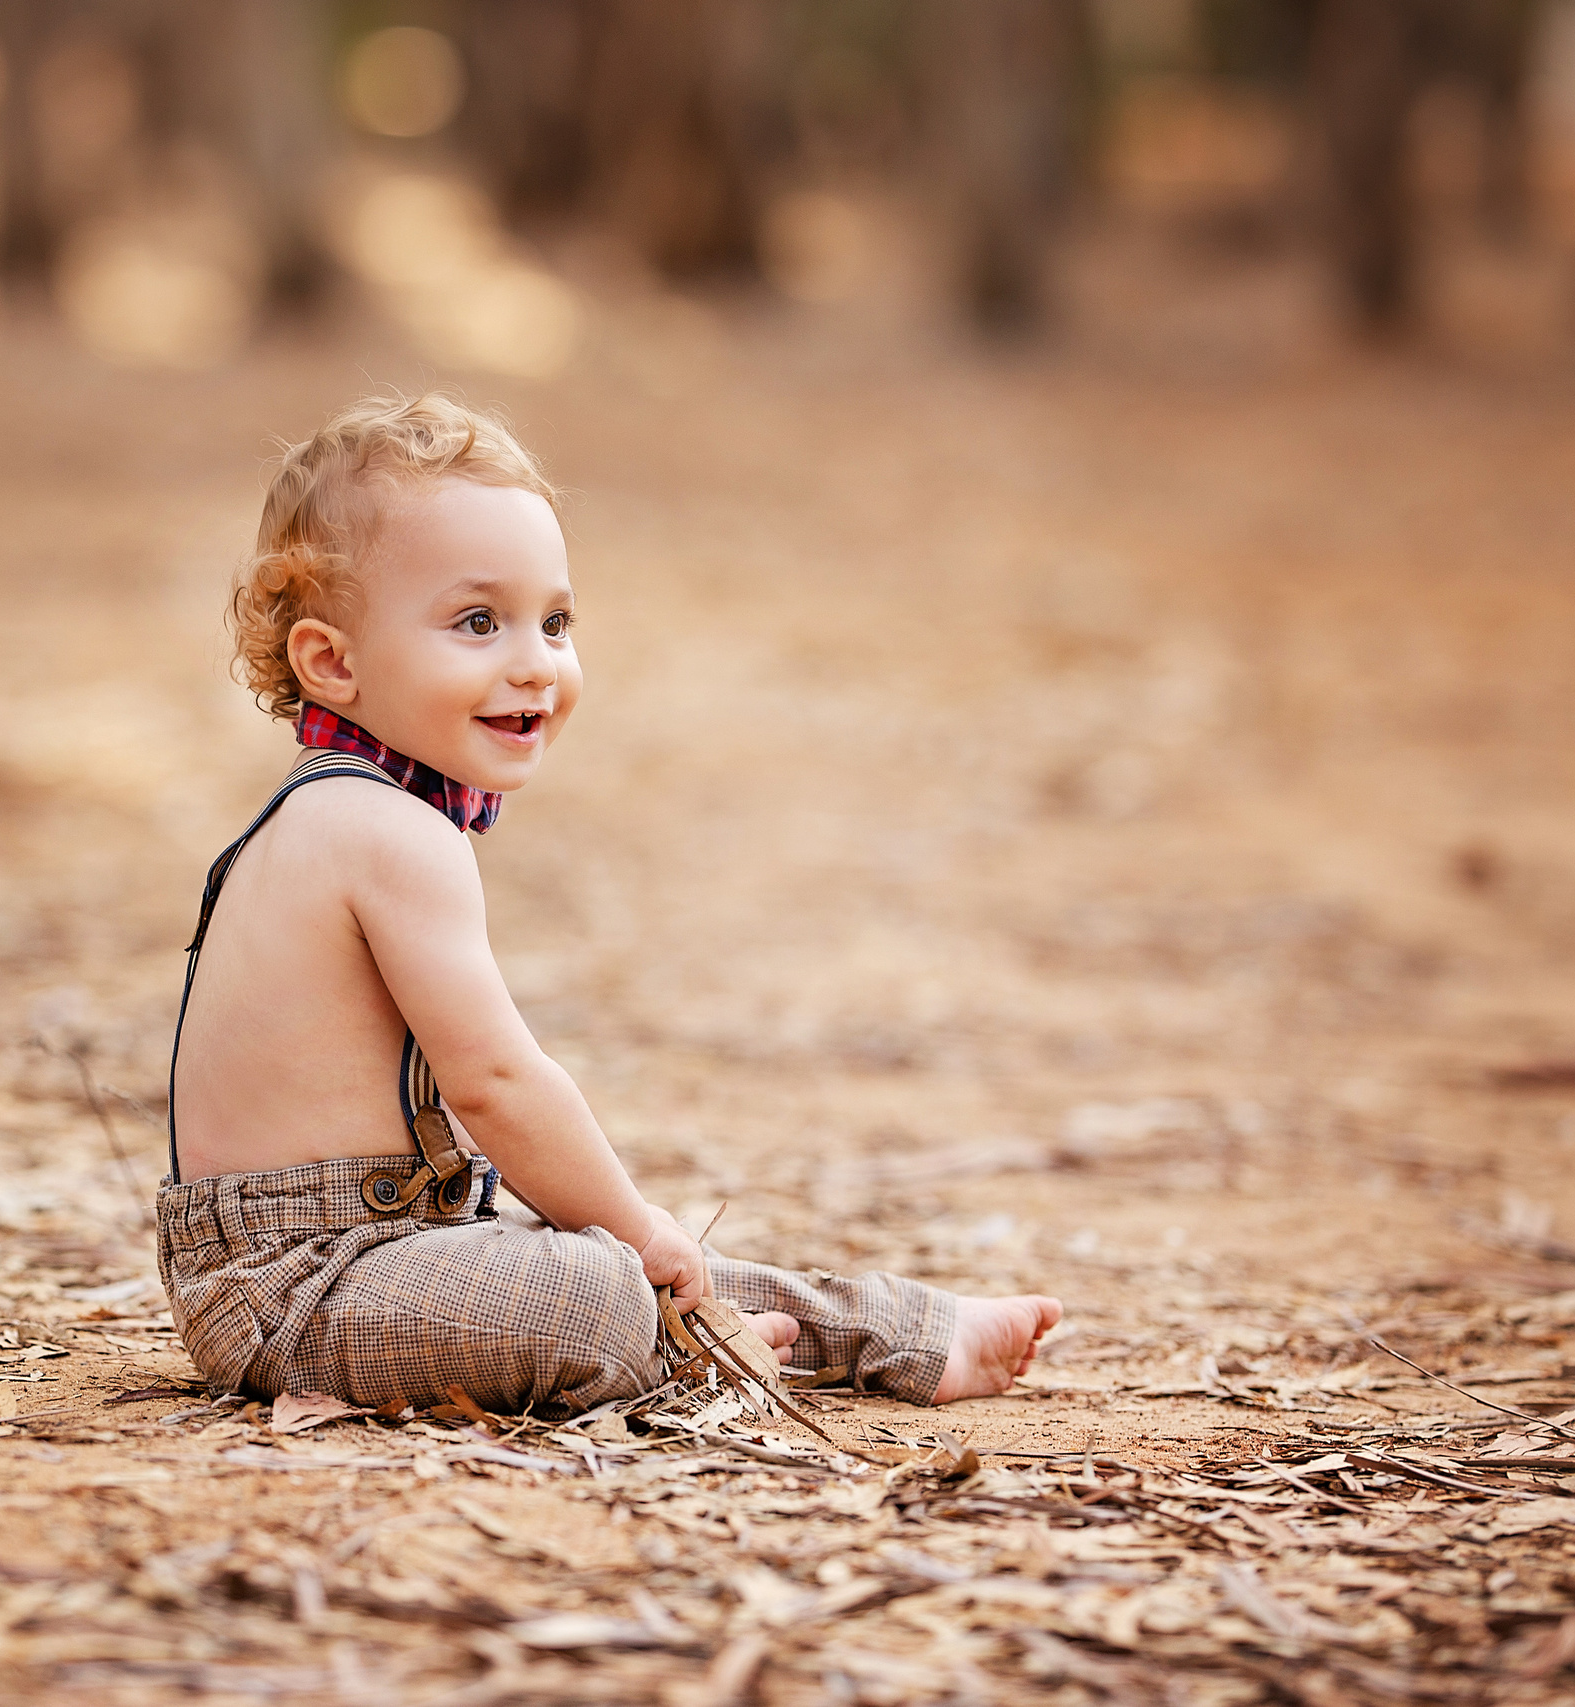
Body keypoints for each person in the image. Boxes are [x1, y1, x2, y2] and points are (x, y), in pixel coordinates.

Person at [157, 393, 1061, 1414]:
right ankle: (692, 1350)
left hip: (386, 1250)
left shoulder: (345, 814)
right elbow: (497, 1085)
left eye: (554, 620)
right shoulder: (386, 833)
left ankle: (908, 1331)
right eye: (476, 622)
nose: (535, 661)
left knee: (649, 1255)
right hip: (295, 1293)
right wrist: (632, 1230)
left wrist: (638, 1233)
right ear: (333, 662)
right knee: (602, 1281)